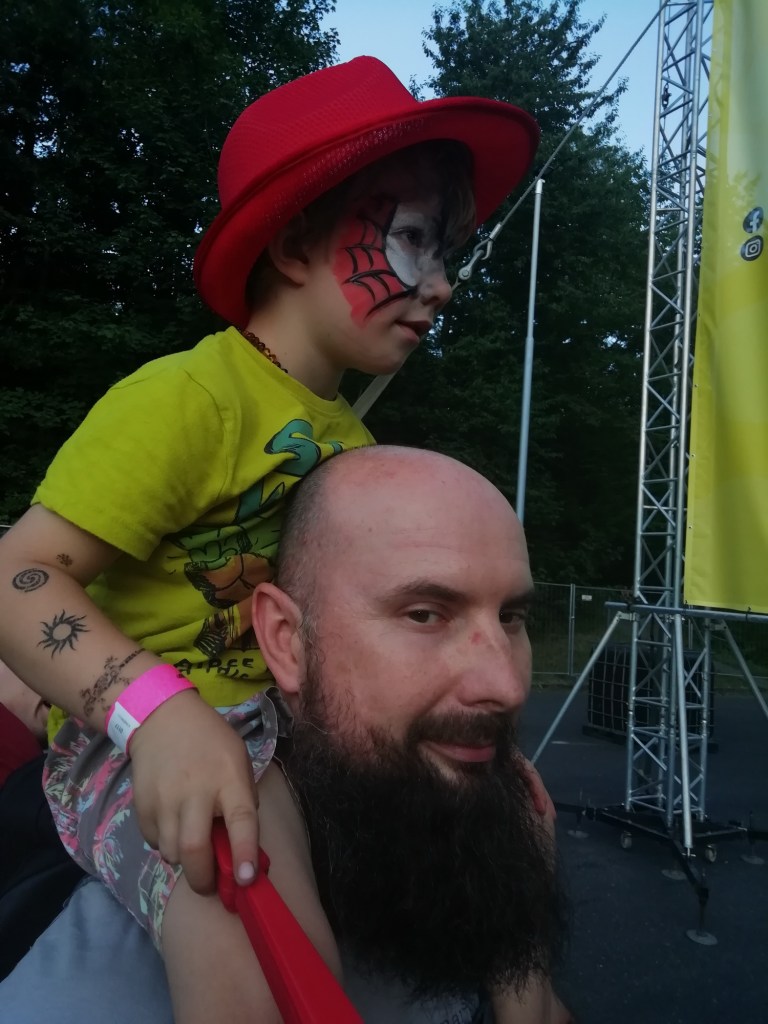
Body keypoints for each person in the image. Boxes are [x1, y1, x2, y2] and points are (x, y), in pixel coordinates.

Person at [0, 58, 543, 1023]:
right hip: (155, 733)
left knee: (507, 827)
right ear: (295, 243)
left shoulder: (353, 451)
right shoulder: (189, 399)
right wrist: (157, 716)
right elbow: (18, 574)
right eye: (415, 240)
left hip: (294, 733)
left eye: (449, 252)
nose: (443, 285)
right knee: (258, 951)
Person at [1, 446, 570, 1023]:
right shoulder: (75, 991)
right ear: (286, 640)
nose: (506, 686)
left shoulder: (484, 815)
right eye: (424, 614)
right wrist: (154, 713)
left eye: (511, 617)